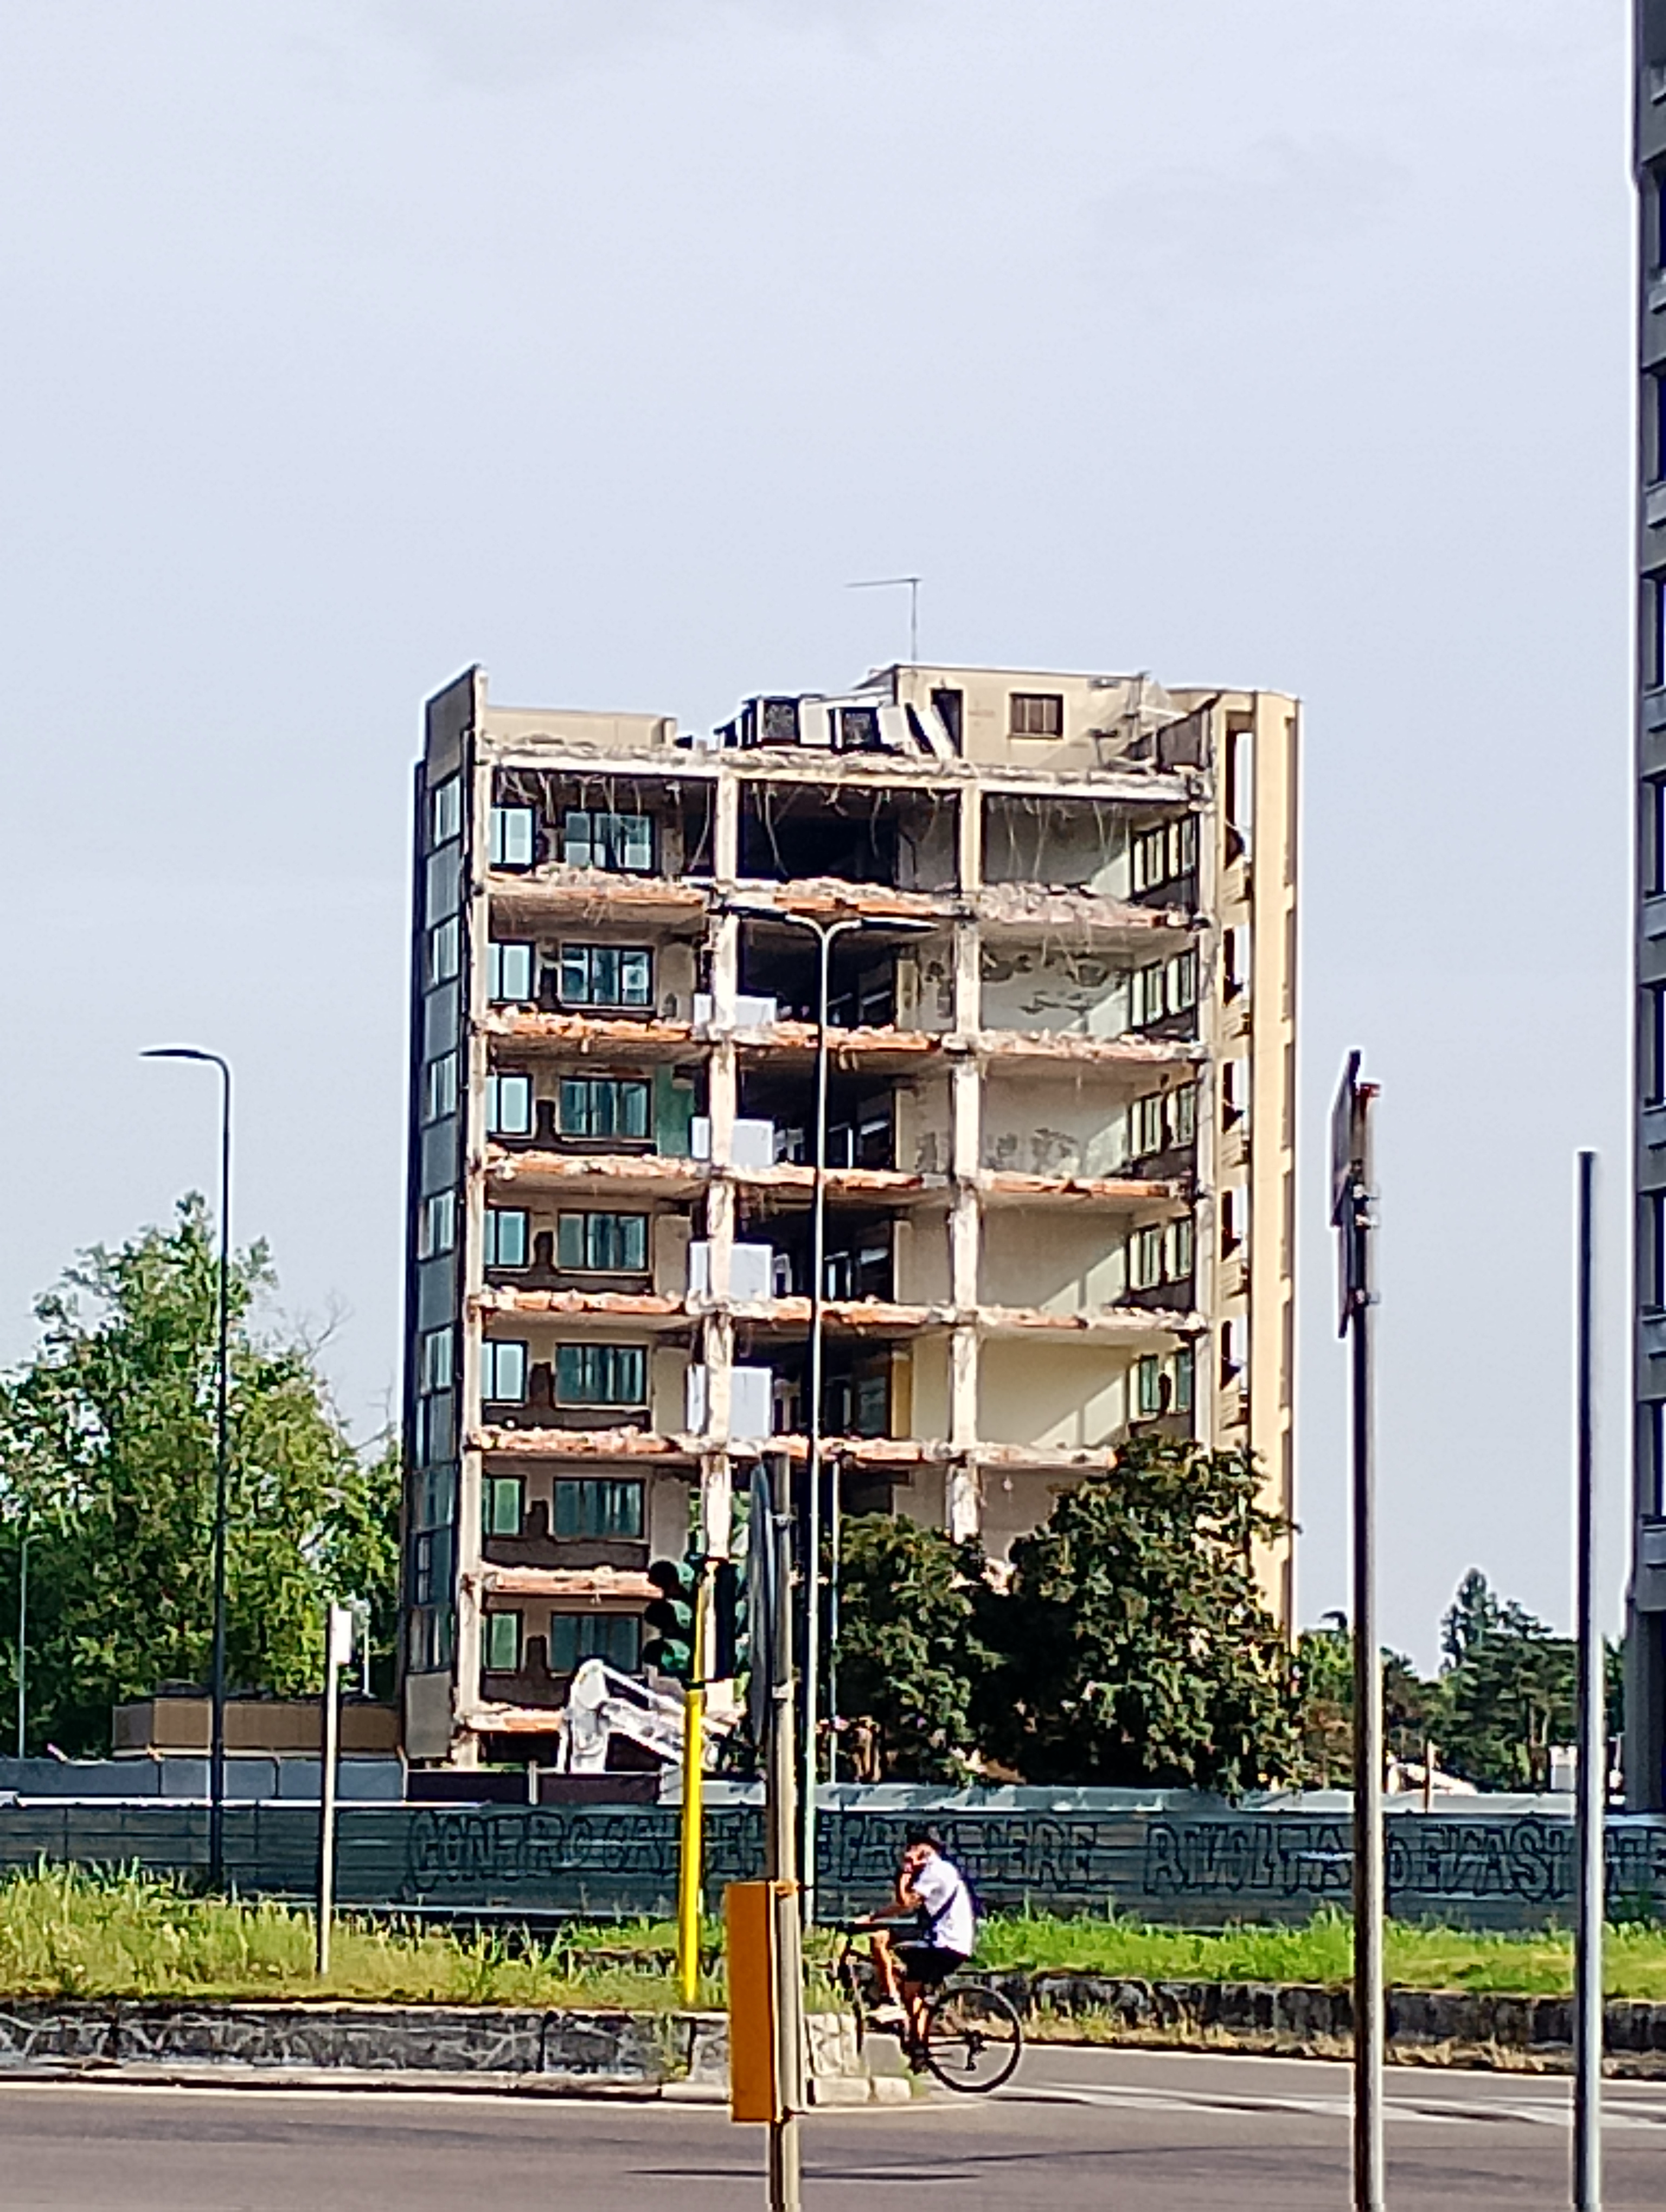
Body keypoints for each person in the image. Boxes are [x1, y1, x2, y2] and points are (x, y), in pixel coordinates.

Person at [863, 1824, 977, 2037]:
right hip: (951, 1942)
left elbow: (906, 1903)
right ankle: (919, 2045)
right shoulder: (942, 1870)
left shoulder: (936, 1870)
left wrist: (905, 1873)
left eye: (914, 1846)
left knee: (880, 1940)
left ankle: (890, 1999)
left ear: (927, 1849)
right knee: (914, 1992)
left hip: (942, 1943)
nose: (909, 1850)